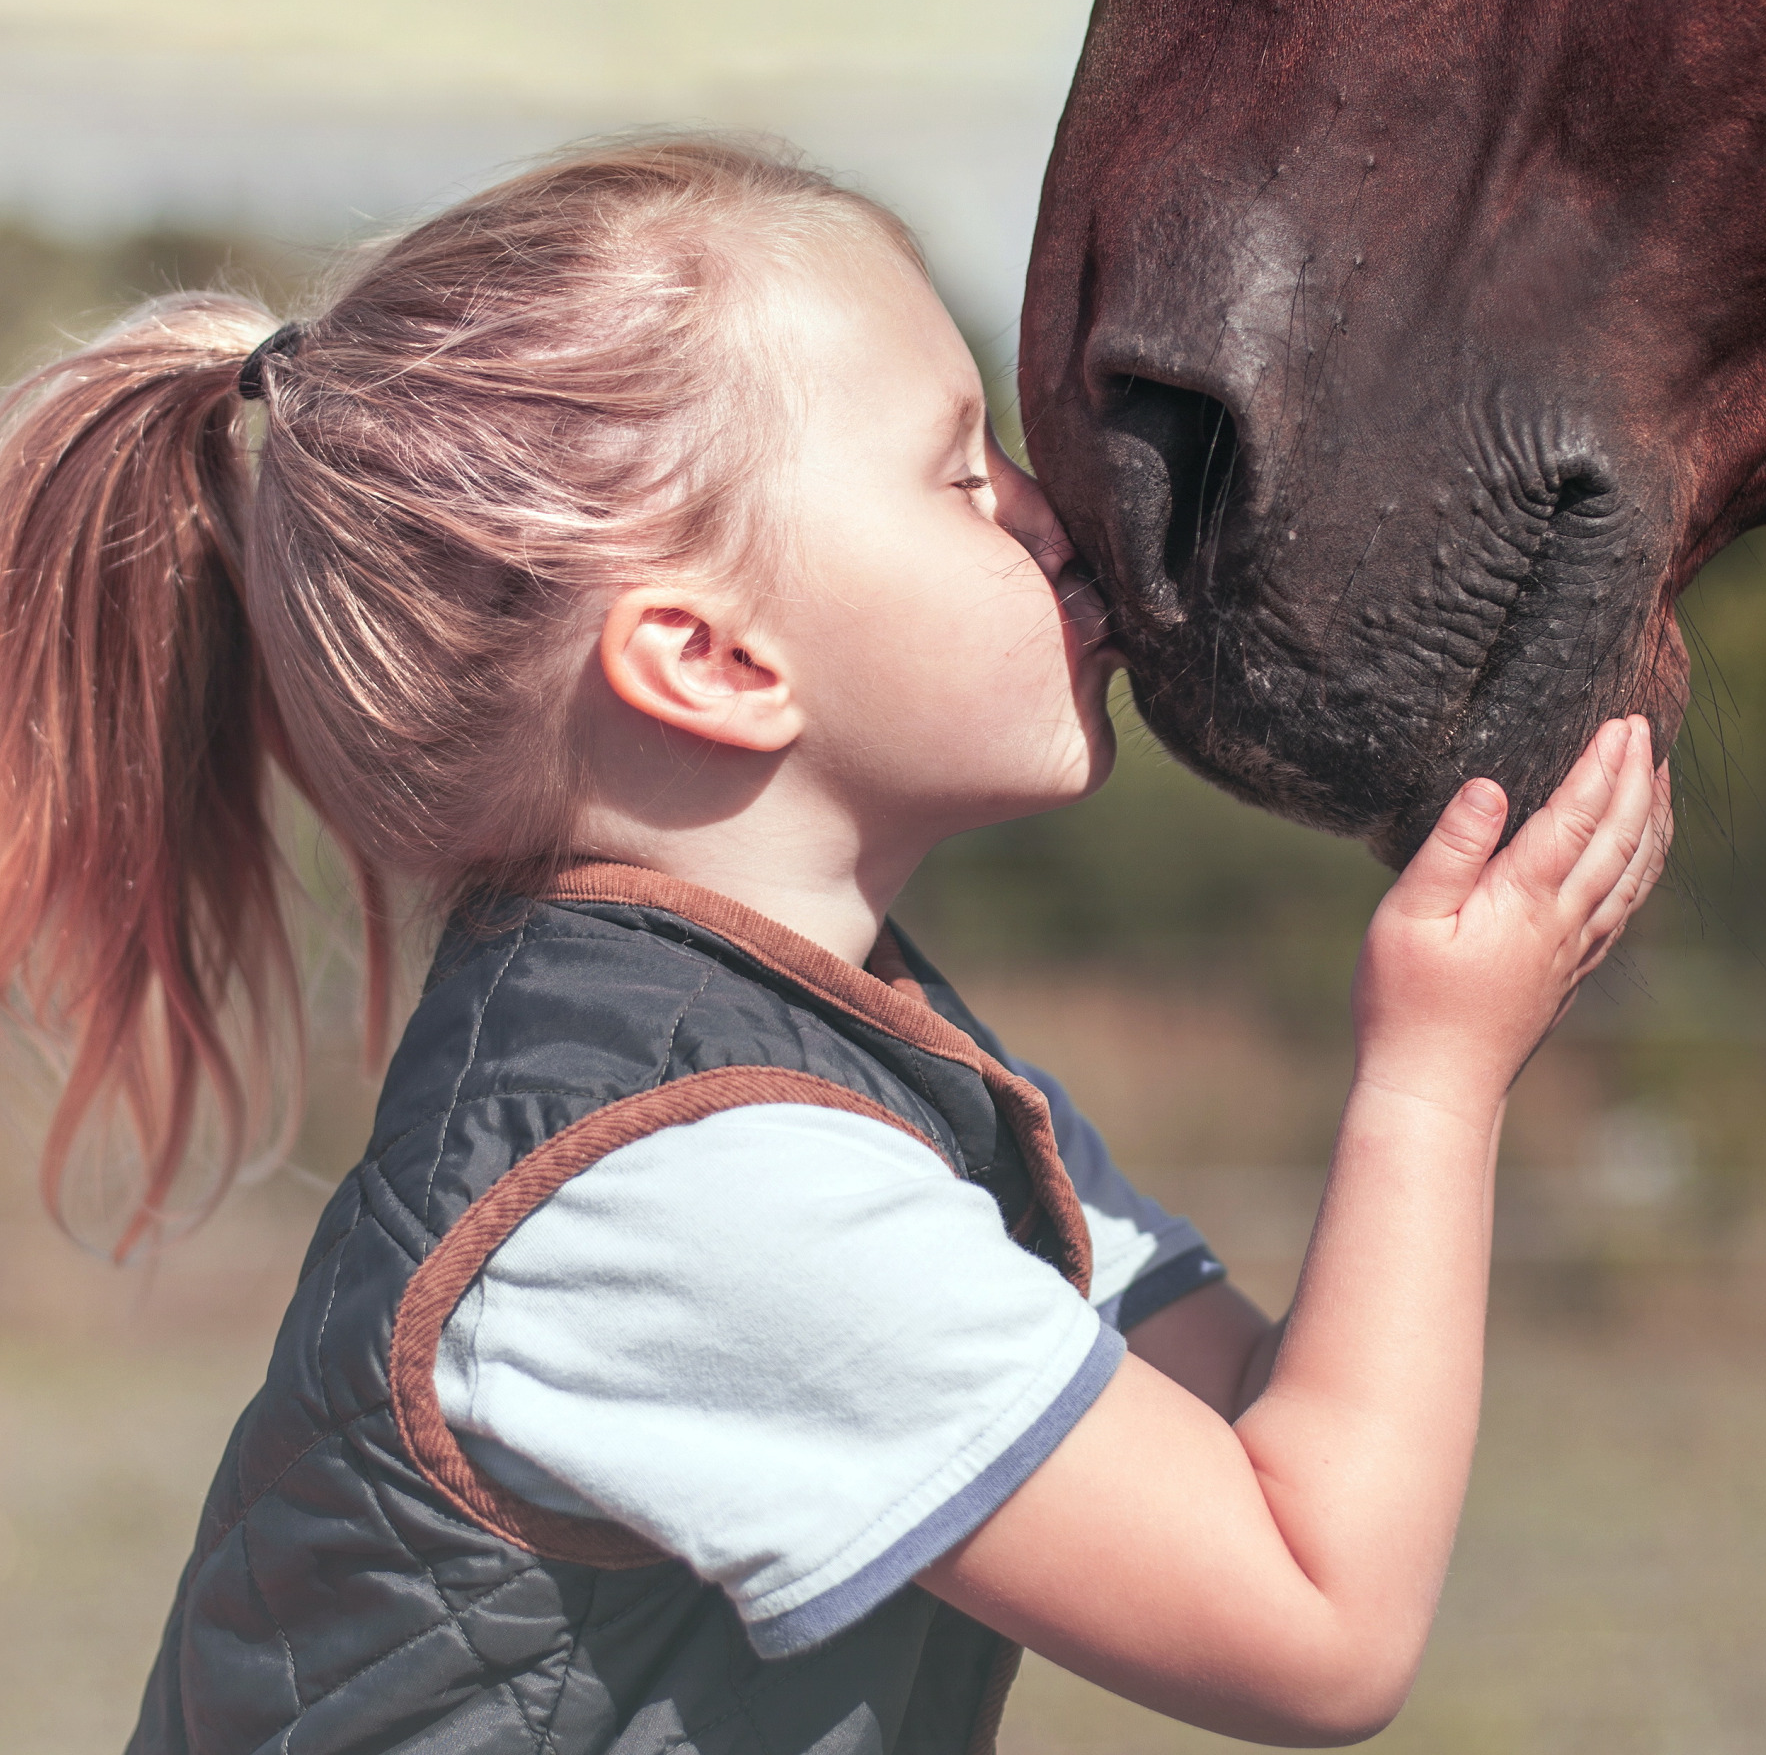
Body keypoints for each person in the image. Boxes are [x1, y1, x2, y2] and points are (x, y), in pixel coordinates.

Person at [0, 137, 1669, 1755]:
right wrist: (1436, 1076)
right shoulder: (694, 1186)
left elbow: (1249, 1434)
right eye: (959, 469)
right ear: (713, 660)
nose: (1048, 512)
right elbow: (1312, 1616)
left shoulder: (856, 1066)